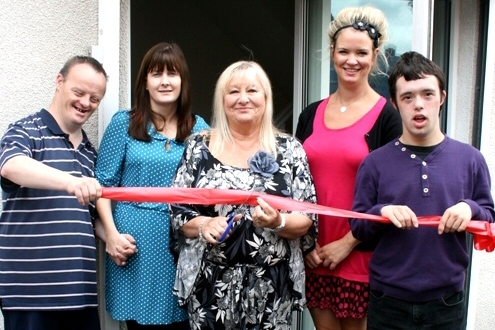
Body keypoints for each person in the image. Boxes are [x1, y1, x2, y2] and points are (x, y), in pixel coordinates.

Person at [350, 51, 495, 329]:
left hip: (447, 303)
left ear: (441, 97)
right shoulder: (374, 163)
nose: (418, 105)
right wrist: (383, 212)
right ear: (395, 103)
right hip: (387, 300)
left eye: (427, 94)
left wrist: (470, 209)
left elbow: (488, 216)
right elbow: (358, 226)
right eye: (407, 97)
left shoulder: (470, 159)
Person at [169, 60, 317, 330]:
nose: (243, 99)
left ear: (265, 97)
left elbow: (307, 216)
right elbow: (178, 211)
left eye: (252, 90)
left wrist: (278, 222)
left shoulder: (291, 149)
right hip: (209, 282)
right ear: (221, 99)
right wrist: (203, 224)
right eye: (233, 92)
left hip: (272, 284)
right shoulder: (197, 147)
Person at [295, 6, 402, 330]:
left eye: (361, 52)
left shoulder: (388, 118)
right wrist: (307, 243)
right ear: (332, 52)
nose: (351, 60)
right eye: (343, 51)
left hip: (361, 258)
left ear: (375, 55)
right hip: (315, 256)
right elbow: (295, 183)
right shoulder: (310, 114)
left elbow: (395, 193)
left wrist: (348, 242)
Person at [95, 42, 209, 329]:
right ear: (145, 82)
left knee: (180, 321)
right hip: (132, 242)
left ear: (183, 81)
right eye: (156, 74)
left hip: (181, 243)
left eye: (173, 74)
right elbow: (102, 186)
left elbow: (209, 187)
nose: (165, 81)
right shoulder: (124, 123)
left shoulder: (199, 130)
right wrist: (110, 235)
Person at [0, 56, 107, 330]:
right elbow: (10, 167)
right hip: (31, 296)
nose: (86, 103)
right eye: (79, 92)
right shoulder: (26, 130)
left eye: (94, 98)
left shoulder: (90, 154)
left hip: (80, 296)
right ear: (59, 82)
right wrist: (71, 182)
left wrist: (113, 238)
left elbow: (90, 218)